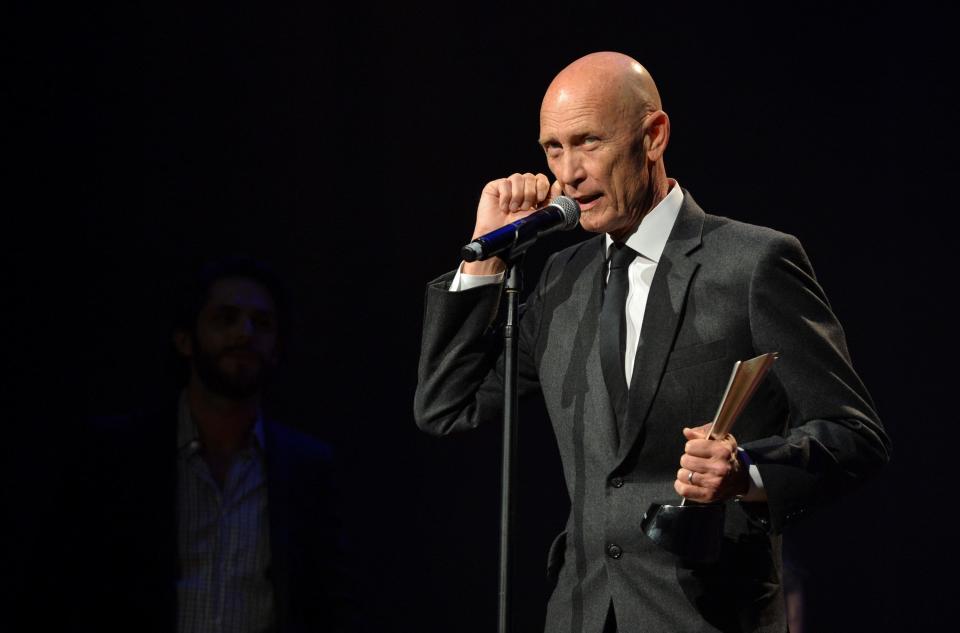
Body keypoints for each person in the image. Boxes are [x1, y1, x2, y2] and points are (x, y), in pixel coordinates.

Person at [414, 52, 890, 632]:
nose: (568, 173)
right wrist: (486, 254)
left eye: (588, 142)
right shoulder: (563, 280)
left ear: (653, 136)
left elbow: (854, 435)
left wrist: (747, 472)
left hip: (708, 613)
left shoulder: (750, 264)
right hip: (582, 614)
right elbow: (447, 404)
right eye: (553, 148)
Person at [69, 257, 359, 632]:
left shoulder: (305, 468)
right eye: (226, 318)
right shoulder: (118, 457)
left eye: (262, 323)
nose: (245, 333)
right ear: (185, 339)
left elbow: (329, 602)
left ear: (277, 346)